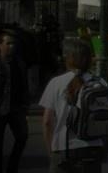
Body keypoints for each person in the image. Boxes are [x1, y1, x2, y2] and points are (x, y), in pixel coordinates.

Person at [39, 39, 103, 170]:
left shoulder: (56, 83)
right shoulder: (100, 82)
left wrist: (51, 150)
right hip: (92, 147)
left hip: (64, 148)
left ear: (69, 59)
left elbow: (47, 121)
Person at [0, 30, 29, 173]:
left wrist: (25, 106)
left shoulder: (20, 64)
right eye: (8, 43)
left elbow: (24, 86)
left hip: (16, 109)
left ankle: (12, 167)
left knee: (22, 137)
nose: (11, 46)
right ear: (0, 45)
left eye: (13, 44)